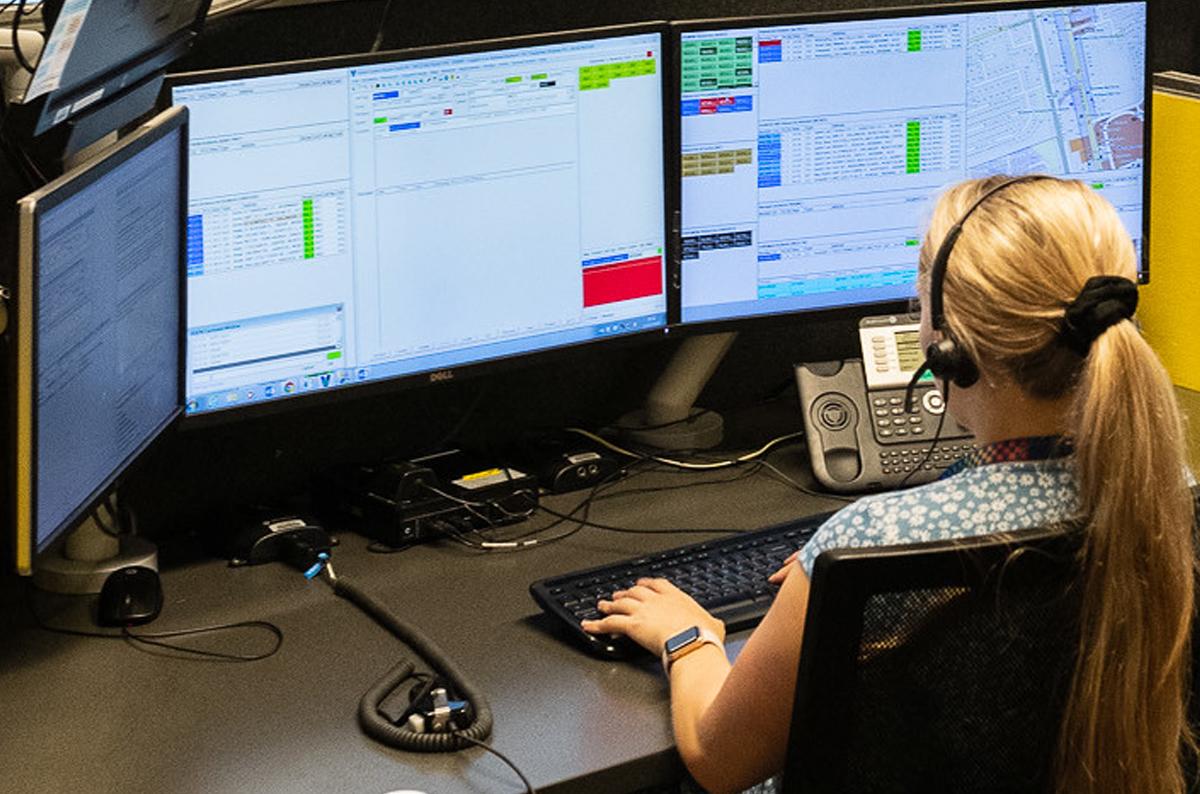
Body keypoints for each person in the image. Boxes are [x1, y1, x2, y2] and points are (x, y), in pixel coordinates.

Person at [582, 175, 1196, 794]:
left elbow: (719, 760)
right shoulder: (1169, 493)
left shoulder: (871, 539)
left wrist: (688, 637)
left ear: (947, 346)